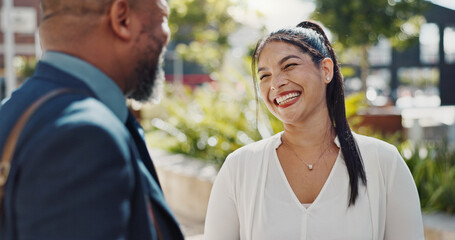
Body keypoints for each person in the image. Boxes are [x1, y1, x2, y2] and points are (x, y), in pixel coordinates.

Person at [204, 21, 424, 240]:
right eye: (264, 76)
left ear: (326, 70)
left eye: (289, 66)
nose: (276, 83)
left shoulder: (385, 163)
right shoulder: (239, 168)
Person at [0, 0, 184, 239]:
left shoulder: (12, 110)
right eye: (162, 18)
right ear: (122, 19)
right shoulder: (83, 136)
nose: (166, 36)